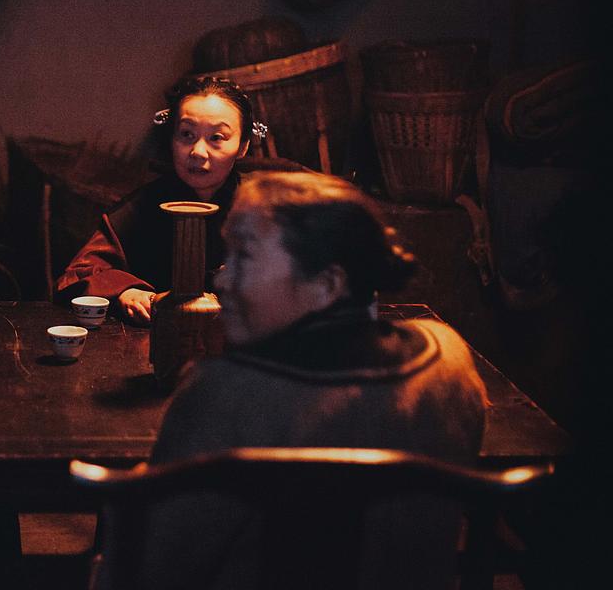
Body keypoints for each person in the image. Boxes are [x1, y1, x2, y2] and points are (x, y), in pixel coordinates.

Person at [96, 171, 488, 590]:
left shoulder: (224, 393)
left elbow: (152, 570)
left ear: (327, 284)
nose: (222, 280)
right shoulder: (445, 359)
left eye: (244, 257)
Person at [55, 76, 275, 323]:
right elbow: (76, 276)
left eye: (216, 138)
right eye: (187, 134)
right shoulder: (141, 207)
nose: (198, 152)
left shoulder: (266, 206)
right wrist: (126, 291)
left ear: (243, 146)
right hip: (154, 339)